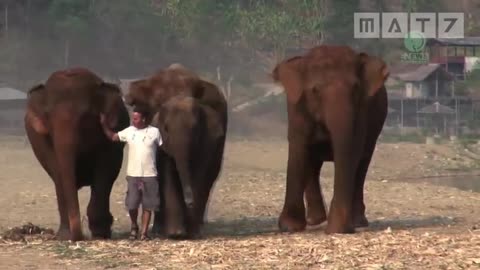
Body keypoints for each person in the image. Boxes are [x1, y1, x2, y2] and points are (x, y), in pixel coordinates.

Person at [100, 105, 163, 240]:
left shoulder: (155, 132)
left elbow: (163, 147)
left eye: (136, 118)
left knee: (148, 205)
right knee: (132, 204)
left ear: (144, 119)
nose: (133, 121)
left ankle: (144, 233)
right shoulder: (129, 131)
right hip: (133, 174)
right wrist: (104, 124)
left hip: (150, 174)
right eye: (133, 118)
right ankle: (134, 226)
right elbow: (113, 137)